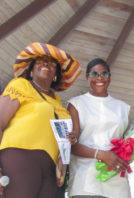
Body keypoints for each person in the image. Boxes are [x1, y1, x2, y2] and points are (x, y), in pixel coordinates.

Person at [0, 42, 82, 198]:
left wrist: (66, 148)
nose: (45, 63)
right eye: (40, 60)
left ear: (56, 74)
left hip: (50, 171)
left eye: (51, 63)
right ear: (31, 69)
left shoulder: (58, 103)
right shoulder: (21, 85)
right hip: (19, 159)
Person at [67, 58, 131, 198]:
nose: (100, 77)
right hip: (85, 183)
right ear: (87, 77)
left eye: (104, 73)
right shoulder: (76, 104)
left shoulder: (123, 108)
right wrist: (101, 154)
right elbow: (71, 145)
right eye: (94, 74)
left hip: (117, 184)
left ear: (110, 77)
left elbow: (128, 145)